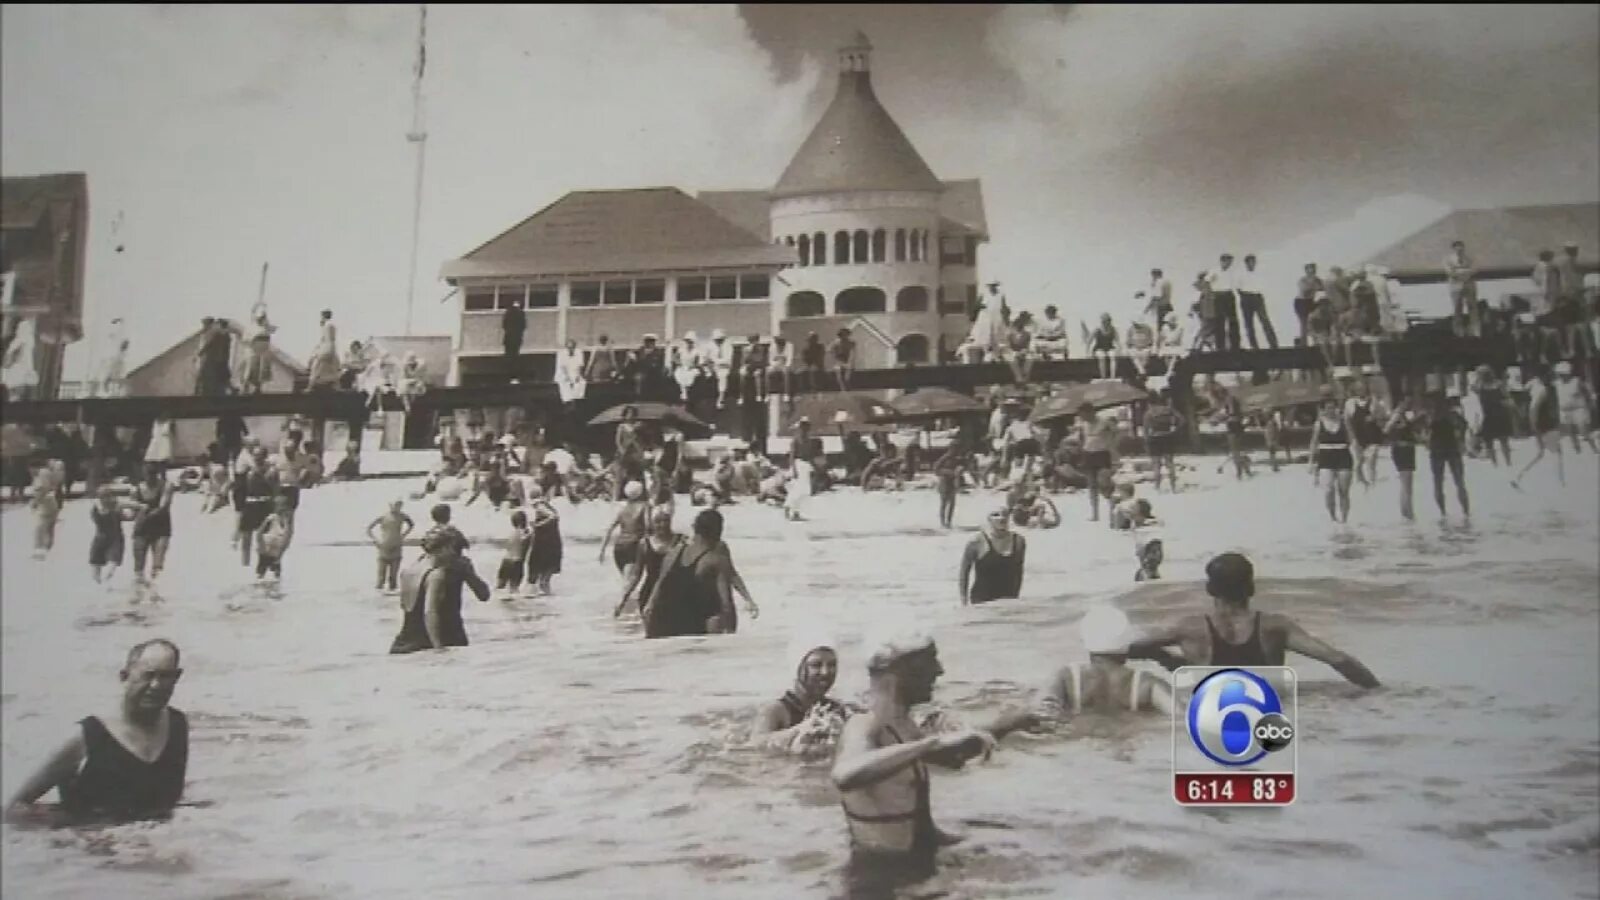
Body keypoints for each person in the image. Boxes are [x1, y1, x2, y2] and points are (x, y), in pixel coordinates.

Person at [831, 630, 1036, 897]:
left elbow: (954, 757)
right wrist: (932, 743)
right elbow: (845, 775)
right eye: (931, 661)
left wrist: (1013, 722)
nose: (939, 671)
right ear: (902, 671)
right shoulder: (863, 725)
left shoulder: (904, 728)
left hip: (913, 870)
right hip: (878, 882)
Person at [1124, 553, 1381, 688]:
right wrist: (1379, 694)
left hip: (1213, 710)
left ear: (1210, 589)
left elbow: (1127, 649)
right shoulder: (1275, 626)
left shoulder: (1189, 628)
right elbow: (1338, 659)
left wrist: (1167, 660)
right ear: (1251, 587)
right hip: (1267, 708)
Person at [5, 640, 189, 825]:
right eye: (148, 676)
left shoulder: (177, 725)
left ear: (177, 677)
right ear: (124, 676)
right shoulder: (84, 737)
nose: (156, 685)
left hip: (156, 842)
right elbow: (12, 809)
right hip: (94, 847)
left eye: (165, 676)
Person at [1037, 605, 1173, 721]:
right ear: (1127, 643)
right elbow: (1182, 715)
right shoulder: (1146, 684)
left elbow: (1041, 707)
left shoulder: (1067, 677)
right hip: (1128, 736)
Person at [389, 530, 492, 654]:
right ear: (447, 548)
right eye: (458, 551)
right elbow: (430, 612)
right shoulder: (439, 574)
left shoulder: (409, 570)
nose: (460, 556)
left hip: (403, 643)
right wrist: (438, 648)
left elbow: (406, 606)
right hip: (440, 640)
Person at [750, 633, 852, 754]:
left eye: (832, 665)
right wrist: (800, 729)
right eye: (816, 665)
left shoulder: (838, 709)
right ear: (798, 668)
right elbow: (755, 744)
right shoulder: (775, 710)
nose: (825, 672)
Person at [642, 509, 736, 637]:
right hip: (693, 626)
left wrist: (649, 611)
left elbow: (659, 585)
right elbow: (726, 604)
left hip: (663, 622)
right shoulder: (716, 560)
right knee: (715, 618)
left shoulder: (674, 552)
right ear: (718, 531)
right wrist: (732, 636)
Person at [958, 508, 1026, 605]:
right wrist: (964, 601)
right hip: (982, 601)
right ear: (989, 519)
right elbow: (964, 573)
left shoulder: (1019, 541)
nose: (1001, 518)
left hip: (1009, 601)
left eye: (1005, 514)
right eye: (996, 515)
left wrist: (1016, 598)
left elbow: (1019, 572)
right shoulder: (976, 541)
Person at [1513, 369, 1565, 489]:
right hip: (1546, 425)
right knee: (1556, 453)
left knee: (1540, 453)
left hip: (1543, 424)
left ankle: (1518, 476)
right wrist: (1534, 425)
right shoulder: (1542, 390)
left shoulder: (1538, 386)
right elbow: (1534, 408)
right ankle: (1559, 481)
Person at [1426, 393, 1472, 517]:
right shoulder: (1452, 415)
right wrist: (1461, 440)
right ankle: (1466, 512)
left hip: (1436, 450)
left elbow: (1422, 431)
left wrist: (1426, 442)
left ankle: (1443, 513)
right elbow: (1464, 425)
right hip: (1452, 449)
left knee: (1438, 483)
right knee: (1459, 482)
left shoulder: (1430, 416)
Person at [1309, 399, 1355, 523]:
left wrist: (1360, 457)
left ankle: (1344, 519)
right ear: (1323, 410)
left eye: (1333, 407)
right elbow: (1313, 443)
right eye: (1328, 408)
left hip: (1343, 455)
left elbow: (1352, 438)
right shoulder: (1319, 424)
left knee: (1343, 490)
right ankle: (1333, 517)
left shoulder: (1344, 422)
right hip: (1325, 457)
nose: (1331, 410)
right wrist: (1311, 462)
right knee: (1329, 490)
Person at [1075, 403, 1121, 522]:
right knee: (1092, 485)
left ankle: (1112, 508)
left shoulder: (1104, 421)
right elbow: (1081, 439)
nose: (1082, 417)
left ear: (1091, 412)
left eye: (1083, 414)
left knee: (1104, 483)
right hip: (1088, 454)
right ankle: (1095, 513)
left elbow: (1116, 432)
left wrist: (1111, 443)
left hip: (1102, 453)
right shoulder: (1083, 424)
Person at [130, 463, 174, 583]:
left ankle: (155, 590)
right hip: (142, 529)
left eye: (152, 475)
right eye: (147, 475)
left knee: (158, 564)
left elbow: (163, 507)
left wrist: (143, 511)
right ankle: (139, 592)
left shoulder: (166, 486)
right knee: (138, 566)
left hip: (161, 528)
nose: (150, 478)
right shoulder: (136, 489)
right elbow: (132, 513)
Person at [89, 485, 138, 584]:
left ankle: (102, 584)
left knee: (104, 563)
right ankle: (101, 583)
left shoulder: (99, 507)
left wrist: (134, 510)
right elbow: (128, 516)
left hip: (104, 538)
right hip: (110, 538)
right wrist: (135, 509)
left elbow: (128, 516)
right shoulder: (114, 506)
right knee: (103, 563)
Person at [1386, 398, 1423, 521]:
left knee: (1405, 483)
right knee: (1406, 483)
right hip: (1403, 449)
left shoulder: (1402, 415)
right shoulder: (1398, 415)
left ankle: (1406, 512)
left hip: (1403, 448)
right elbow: (1387, 429)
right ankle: (1408, 513)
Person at [366, 499, 415, 591]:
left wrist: (403, 535)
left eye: (399, 505)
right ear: (390, 505)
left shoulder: (403, 516)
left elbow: (411, 525)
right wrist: (375, 540)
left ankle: (391, 595)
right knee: (380, 579)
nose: (396, 507)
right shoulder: (384, 516)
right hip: (384, 548)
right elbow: (369, 529)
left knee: (393, 578)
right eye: (395, 505)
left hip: (396, 548)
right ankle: (379, 599)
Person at [524, 485, 562, 595]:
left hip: (545, 546)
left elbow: (554, 517)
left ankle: (543, 602)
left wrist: (538, 525)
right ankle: (548, 602)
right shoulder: (546, 504)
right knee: (545, 580)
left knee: (540, 579)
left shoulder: (539, 506)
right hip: (553, 544)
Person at [1553, 361, 1597, 453]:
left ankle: (1594, 448)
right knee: (1570, 430)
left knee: (1583, 430)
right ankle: (1577, 449)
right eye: (1559, 374)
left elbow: (1587, 390)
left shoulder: (1576, 381)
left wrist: (1592, 399)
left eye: (1562, 374)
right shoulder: (1556, 383)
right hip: (1565, 410)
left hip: (1578, 409)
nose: (1561, 376)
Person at [1143, 392, 1184, 492]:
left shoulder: (1149, 412)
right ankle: (1173, 487)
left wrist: (1146, 441)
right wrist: (1175, 429)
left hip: (1155, 437)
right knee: (1170, 463)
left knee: (1156, 464)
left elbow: (1146, 429)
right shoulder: (1168, 409)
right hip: (1167, 436)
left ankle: (1157, 487)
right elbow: (1182, 419)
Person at [254, 495, 294, 581]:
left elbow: (287, 539)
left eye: (282, 505)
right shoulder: (272, 518)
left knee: (272, 577)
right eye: (279, 505)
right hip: (267, 549)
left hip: (273, 550)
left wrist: (279, 556)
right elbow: (259, 534)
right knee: (263, 576)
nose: (280, 508)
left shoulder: (286, 521)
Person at [495, 510, 533, 598]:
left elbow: (506, 545)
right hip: (517, 562)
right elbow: (524, 541)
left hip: (505, 561)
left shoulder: (511, 533)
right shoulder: (524, 533)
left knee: (500, 586)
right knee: (514, 589)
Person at [29, 463, 62, 560]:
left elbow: (41, 490)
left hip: (45, 505)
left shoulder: (41, 476)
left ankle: (40, 553)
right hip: (52, 503)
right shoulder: (47, 473)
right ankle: (48, 549)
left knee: (39, 530)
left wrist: (35, 502)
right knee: (49, 529)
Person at [932, 445, 966, 529]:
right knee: (944, 503)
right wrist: (948, 472)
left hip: (953, 483)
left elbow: (962, 470)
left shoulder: (957, 459)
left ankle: (949, 522)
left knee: (952, 504)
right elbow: (936, 469)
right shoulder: (944, 458)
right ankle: (943, 522)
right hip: (944, 482)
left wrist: (960, 471)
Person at [555, 338, 586, 407]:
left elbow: (580, 366)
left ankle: (577, 400)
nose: (570, 349)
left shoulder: (579, 352)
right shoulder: (561, 354)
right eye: (569, 348)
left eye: (572, 347)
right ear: (566, 347)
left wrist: (578, 375)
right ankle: (567, 401)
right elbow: (563, 367)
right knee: (565, 383)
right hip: (564, 374)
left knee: (581, 382)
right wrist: (567, 376)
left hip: (574, 373)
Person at [502, 297, 526, 370]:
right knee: (515, 354)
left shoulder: (508, 313)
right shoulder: (521, 314)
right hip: (516, 337)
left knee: (508, 353)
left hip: (509, 337)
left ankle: (508, 366)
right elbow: (524, 325)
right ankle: (513, 367)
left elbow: (504, 325)